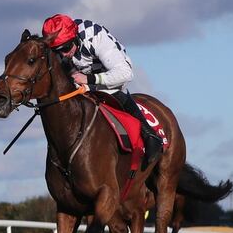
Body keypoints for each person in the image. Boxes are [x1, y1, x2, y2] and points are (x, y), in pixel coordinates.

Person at [42, 13, 162, 168]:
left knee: (112, 92)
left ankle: (150, 136)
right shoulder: (59, 49)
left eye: (66, 48)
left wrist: (90, 80)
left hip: (111, 75)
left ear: (75, 38)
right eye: (57, 51)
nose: (63, 55)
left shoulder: (94, 36)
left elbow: (126, 74)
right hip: (79, 79)